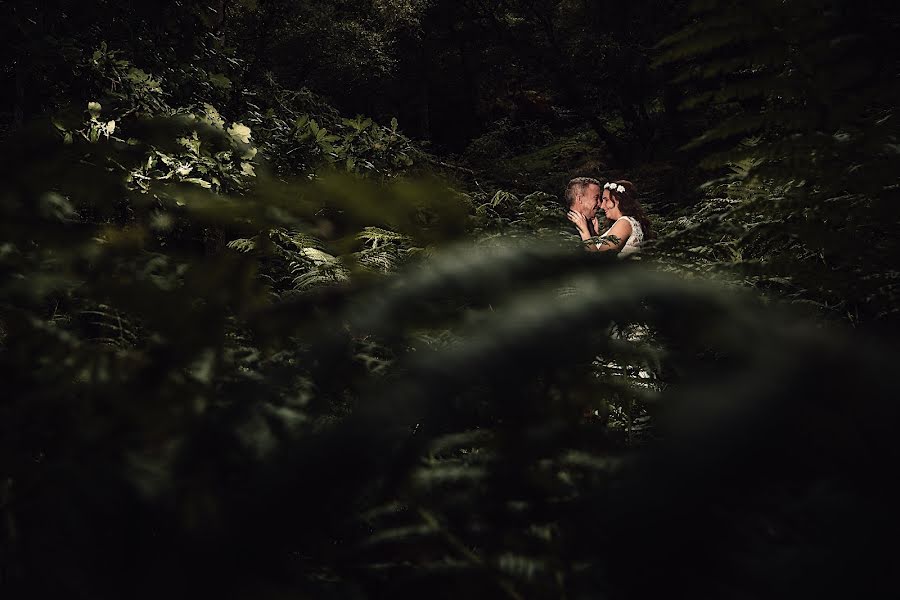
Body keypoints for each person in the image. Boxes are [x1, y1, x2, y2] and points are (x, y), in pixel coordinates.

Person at [567, 179, 653, 256]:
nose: (601, 205)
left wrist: (584, 231)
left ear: (618, 200)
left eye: (606, 200)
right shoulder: (625, 223)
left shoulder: (624, 223)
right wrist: (595, 236)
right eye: (597, 198)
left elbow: (601, 261)